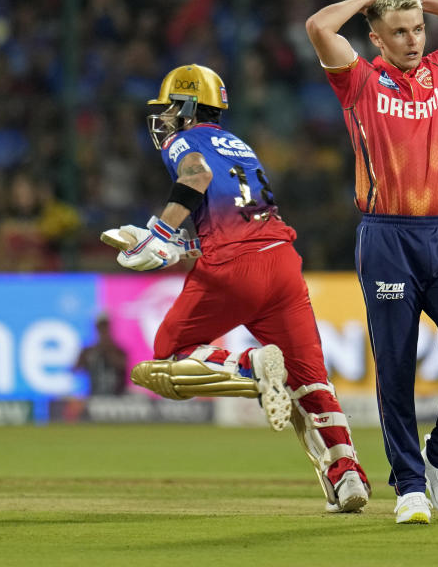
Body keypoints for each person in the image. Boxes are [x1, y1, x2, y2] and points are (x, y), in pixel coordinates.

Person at [116, 64, 370, 514]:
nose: (165, 119)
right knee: (311, 379)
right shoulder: (239, 145)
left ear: (190, 106)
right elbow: (236, 218)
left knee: (169, 352)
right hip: (281, 261)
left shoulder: (185, 141)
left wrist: (159, 233)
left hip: (234, 269)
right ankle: (347, 475)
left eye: (172, 108)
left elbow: (195, 179)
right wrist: (180, 248)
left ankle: (251, 365)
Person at [305, 0, 438, 524]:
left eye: (417, 30)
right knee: (395, 367)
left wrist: (419, 1)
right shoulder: (359, 80)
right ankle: (410, 486)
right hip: (386, 237)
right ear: (375, 38)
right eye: (399, 32)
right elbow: (320, 26)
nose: (413, 40)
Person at [72, 313, 128, 396]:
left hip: (117, 398)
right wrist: (87, 357)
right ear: (96, 329)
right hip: (95, 396)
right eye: (101, 327)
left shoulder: (118, 350)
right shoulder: (89, 350)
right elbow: (75, 369)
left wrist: (108, 350)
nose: (103, 330)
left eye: (105, 327)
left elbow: (124, 367)